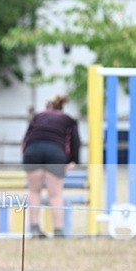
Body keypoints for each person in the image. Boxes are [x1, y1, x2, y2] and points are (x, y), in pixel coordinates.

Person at [22, 94, 80, 237]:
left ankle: (35, 228)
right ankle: (58, 230)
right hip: (55, 152)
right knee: (55, 194)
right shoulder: (68, 119)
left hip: (33, 151)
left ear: (48, 107)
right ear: (62, 108)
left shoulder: (38, 116)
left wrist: (26, 155)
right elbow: (75, 141)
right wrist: (73, 160)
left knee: (34, 192)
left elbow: (26, 139)